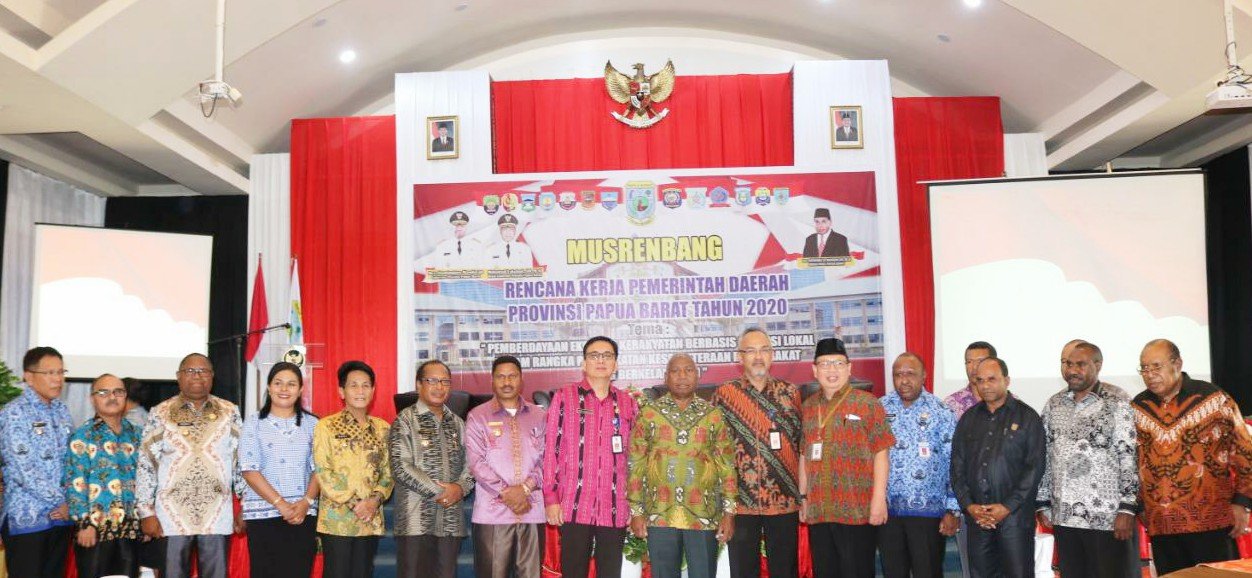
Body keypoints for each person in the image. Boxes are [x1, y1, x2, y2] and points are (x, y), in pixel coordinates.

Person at [1133, 339, 1252, 575]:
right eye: (1144, 368)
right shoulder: (1138, 407)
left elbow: (1244, 451)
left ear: (1177, 364)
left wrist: (1242, 502)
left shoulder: (1213, 399)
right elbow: (1130, 461)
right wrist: (1140, 506)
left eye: (1156, 367)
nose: (1149, 374)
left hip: (1212, 521)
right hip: (1161, 524)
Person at [628, 354, 736, 578]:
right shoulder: (649, 414)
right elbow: (636, 464)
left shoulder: (713, 415)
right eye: (675, 371)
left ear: (697, 376)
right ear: (666, 377)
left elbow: (726, 465)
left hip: (703, 515)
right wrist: (636, 512)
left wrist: (729, 512)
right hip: (659, 514)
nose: (682, 376)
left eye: (688, 370)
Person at [1036, 342, 1139, 578]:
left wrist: (1127, 508)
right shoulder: (1054, 404)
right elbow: (1045, 454)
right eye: (1067, 364)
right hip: (1065, 517)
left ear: (1098, 365)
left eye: (1080, 364)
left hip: (1107, 517)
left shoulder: (1117, 401)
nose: (1072, 370)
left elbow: (1128, 456)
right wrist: (1043, 502)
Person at [137, 353, 244, 578]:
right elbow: (146, 463)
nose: (197, 376)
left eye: (203, 371)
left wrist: (246, 506)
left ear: (212, 376)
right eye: (190, 371)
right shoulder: (160, 412)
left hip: (216, 514)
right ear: (178, 376)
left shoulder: (229, 411)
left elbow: (240, 461)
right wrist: (145, 512)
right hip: (171, 516)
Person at [542, 336, 639, 578]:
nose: (601, 360)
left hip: (614, 504)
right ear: (584, 363)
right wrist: (551, 498)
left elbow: (635, 458)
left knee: (610, 572)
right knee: (573, 571)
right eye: (594, 355)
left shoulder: (627, 403)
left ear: (616, 364)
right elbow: (552, 448)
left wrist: (636, 504)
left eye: (607, 356)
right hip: (575, 503)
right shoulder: (565, 397)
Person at [800, 338, 893, 578]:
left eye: (838, 363)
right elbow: (804, 455)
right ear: (814, 370)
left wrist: (878, 500)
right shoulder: (808, 407)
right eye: (825, 364)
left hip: (857, 510)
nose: (832, 370)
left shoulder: (868, 403)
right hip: (820, 511)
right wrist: (803, 497)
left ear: (849, 368)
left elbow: (881, 452)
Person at [712, 328, 802, 578]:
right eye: (751, 351)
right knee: (743, 571)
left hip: (784, 500)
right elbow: (716, 449)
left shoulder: (790, 393)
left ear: (772, 355)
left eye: (764, 350)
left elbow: (800, 442)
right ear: (740, 357)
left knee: (785, 570)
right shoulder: (725, 394)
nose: (758, 356)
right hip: (742, 501)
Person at [950, 357, 1045, 578]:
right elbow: (957, 466)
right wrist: (969, 505)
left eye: (991, 379)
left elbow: (1034, 468)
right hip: (978, 518)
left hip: (1015, 519)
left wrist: (1007, 507)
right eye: (980, 380)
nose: (985, 385)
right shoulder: (968, 419)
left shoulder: (1027, 417)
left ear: (1006, 380)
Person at [879, 353, 960, 578]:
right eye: (898, 375)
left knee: (928, 572)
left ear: (924, 376)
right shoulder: (879, 408)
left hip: (928, 513)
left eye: (910, 374)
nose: (904, 380)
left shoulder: (941, 411)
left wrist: (952, 509)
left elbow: (954, 462)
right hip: (888, 512)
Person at [391, 360, 474, 578]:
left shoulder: (458, 423)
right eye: (432, 381)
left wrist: (460, 488)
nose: (440, 387)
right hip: (415, 520)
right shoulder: (405, 420)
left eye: (445, 381)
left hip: (450, 520)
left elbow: (472, 465)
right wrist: (442, 492)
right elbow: (400, 466)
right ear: (419, 385)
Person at [466, 355, 547, 578]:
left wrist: (525, 488)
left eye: (512, 376)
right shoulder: (477, 416)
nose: (507, 382)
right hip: (492, 515)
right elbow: (476, 463)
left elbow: (548, 459)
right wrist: (507, 493)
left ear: (521, 380)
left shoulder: (540, 416)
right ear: (492, 381)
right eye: (500, 377)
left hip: (532, 511)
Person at [314, 360, 393, 578]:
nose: (360, 391)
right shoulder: (326, 426)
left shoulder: (383, 428)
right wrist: (357, 504)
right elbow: (323, 471)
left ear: (373, 391)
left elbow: (388, 472)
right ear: (341, 391)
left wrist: (373, 502)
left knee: (363, 573)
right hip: (337, 520)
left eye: (366, 385)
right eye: (353, 385)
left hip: (370, 519)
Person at [240, 362, 320, 578]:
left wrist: (306, 502)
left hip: (302, 514)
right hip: (263, 514)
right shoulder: (253, 423)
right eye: (278, 383)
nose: (284, 389)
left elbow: (320, 470)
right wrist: (280, 504)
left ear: (301, 389)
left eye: (291, 384)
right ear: (269, 387)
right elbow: (249, 469)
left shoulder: (313, 424)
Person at [0, 346, 74, 577]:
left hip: (61, 519)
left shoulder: (62, 410)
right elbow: (23, 470)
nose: (58, 379)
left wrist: (70, 501)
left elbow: (73, 461)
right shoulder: (14, 413)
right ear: (29, 377)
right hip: (28, 519)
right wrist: (61, 502)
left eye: (61, 372)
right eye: (50, 373)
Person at [65, 374, 143, 578]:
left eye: (118, 392)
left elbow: (146, 479)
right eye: (104, 392)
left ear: (125, 396)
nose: (112, 397)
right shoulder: (83, 436)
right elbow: (75, 482)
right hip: (94, 531)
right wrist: (84, 524)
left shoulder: (137, 434)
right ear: (93, 398)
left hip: (130, 529)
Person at [943, 340, 996, 577]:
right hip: (967, 503)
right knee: (971, 568)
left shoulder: (1012, 404)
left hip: (1003, 505)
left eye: (980, 361)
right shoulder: (951, 405)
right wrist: (953, 508)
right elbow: (947, 460)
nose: (974, 367)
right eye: (968, 362)